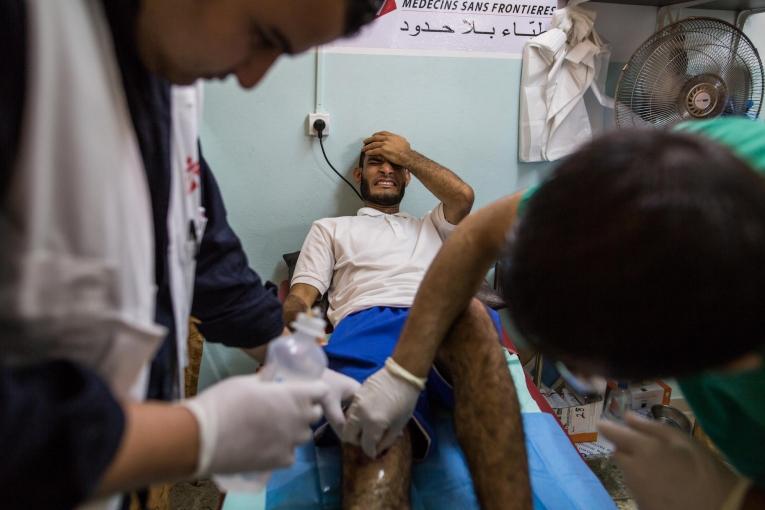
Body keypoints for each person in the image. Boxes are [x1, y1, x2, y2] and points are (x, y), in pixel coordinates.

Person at [0, 0, 383, 508]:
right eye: (262, 35)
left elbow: (199, 247)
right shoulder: (27, 33)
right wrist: (197, 434)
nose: (250, 78)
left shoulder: (171, 78)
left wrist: (290, 353)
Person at [344, 117, 765, 510]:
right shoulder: (643, 180)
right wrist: (404, 372)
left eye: (586, 366)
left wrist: (731, 499)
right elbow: (478, 236)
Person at [284, 131, 531, 510]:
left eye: (395, 165)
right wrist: (295, 334)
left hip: (442, 314)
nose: (386, 169)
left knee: (474, 320)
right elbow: (301, 297)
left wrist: (409, 154)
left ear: (408, 176)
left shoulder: (432, 224)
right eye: (375, 163)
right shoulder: (330, 229)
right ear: (357, 174)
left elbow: (463, 197)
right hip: (368, 324)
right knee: (378, 436)